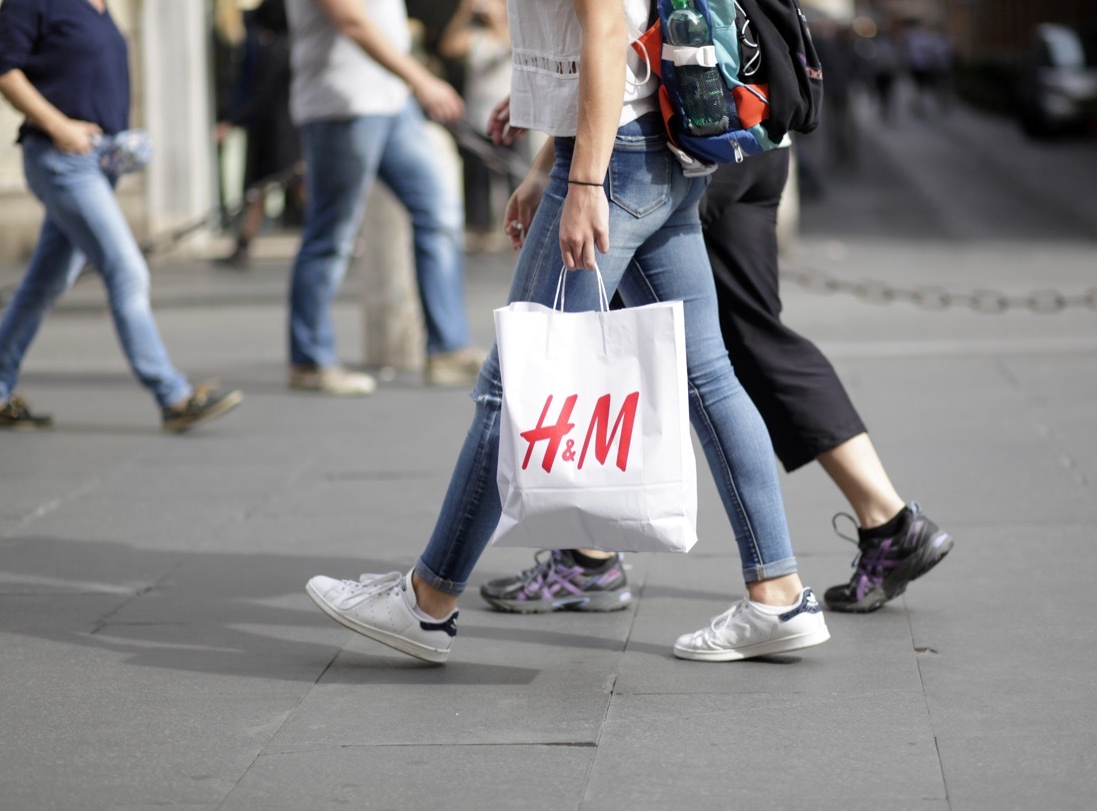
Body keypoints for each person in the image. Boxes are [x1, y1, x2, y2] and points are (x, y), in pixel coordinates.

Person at [304, 0, 831, 664]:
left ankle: (425, 603)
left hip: (615, 161)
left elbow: (607, 31)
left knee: (514, 388)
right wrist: (548, 160)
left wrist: (580, 180)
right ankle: (778, 592)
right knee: (708, 376)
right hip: (651, 154)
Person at [481, 147, 954, 615]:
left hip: (670, 150)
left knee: (617, 328)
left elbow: (609, 77)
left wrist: (551, 166)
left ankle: (590, 559)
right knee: (751, 339)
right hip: (756, 140)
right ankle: (889, 523)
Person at [0, 0, 243, 433]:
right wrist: (59, 126)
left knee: (44, 283)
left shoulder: (101, 6)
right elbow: (4, 68)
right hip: (61, 161)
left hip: (98, 163)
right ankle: (174, 397)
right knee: (127, 271)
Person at [283, 0, 486, 394]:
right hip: (344, 104)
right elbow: (351, 20)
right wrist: (421, 80)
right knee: (331, 235)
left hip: (391, 102)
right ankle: (310, 360)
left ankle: (446, 349)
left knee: (439, 212)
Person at [215, 0, 303, 270]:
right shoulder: (289, 46)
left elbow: (261, 95)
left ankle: (338, 238)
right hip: (281, 130)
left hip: (276, 132)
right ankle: (243, 244)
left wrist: (233, 120)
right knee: (267, 189)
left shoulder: (275, 49)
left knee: (286, 187)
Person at [438, 0, 525, 254]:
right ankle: (480, 228)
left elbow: (512, 46)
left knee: (515, 171)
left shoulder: (513, 31)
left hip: (513, 118)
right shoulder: (474, 36)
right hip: (479, 116)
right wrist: (464, 12)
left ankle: (520, 222)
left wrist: (498, 17)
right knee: (477, 175)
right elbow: (448, 47)